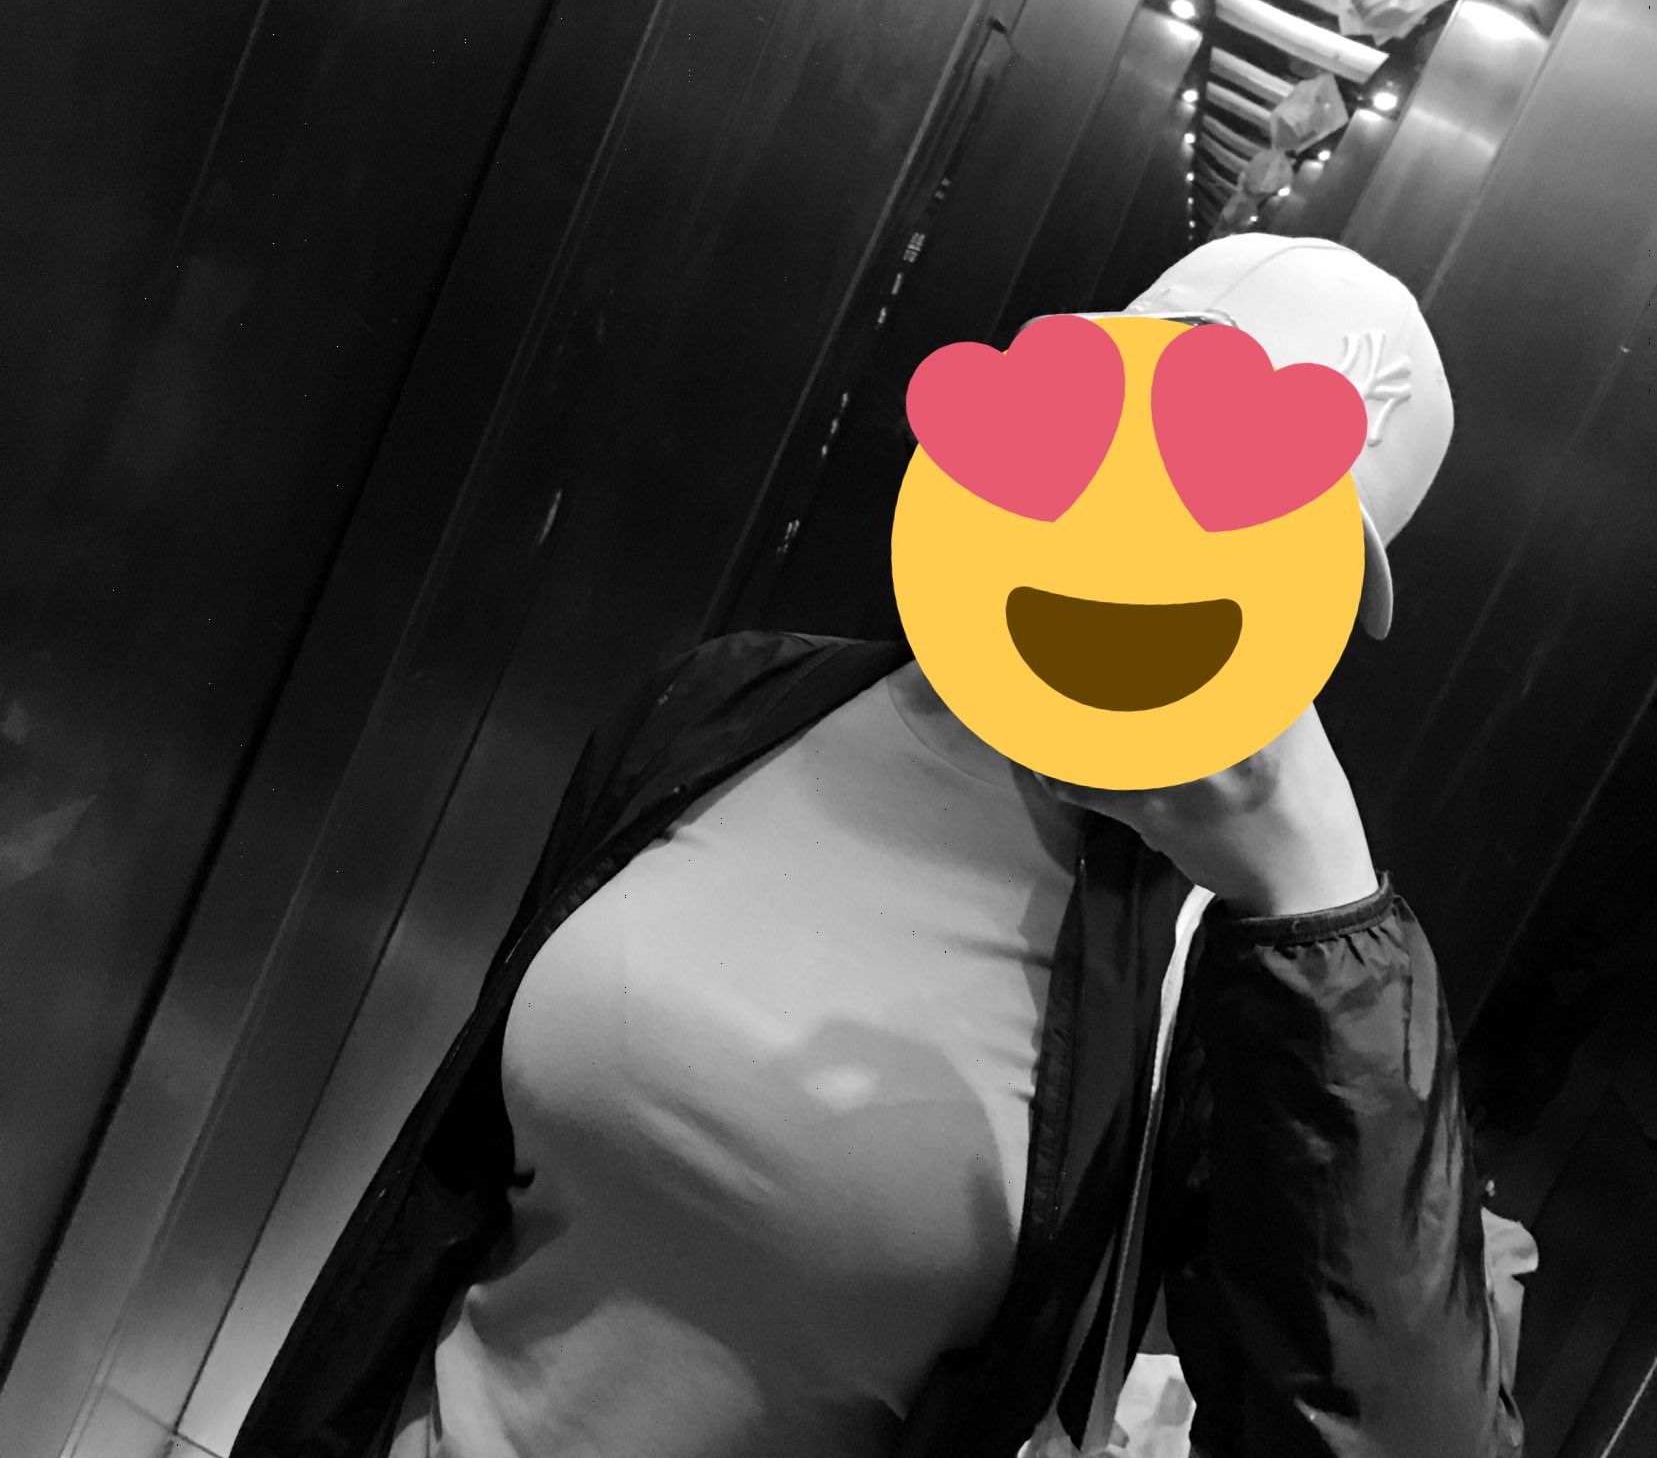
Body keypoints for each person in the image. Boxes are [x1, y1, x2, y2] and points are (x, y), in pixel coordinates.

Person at [230, 233, 1526, 1458]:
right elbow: (454, 1192)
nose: (1166, 537)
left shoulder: (1231, 981)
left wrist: (1318, 908)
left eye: (1254, 517)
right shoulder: (729, 707)